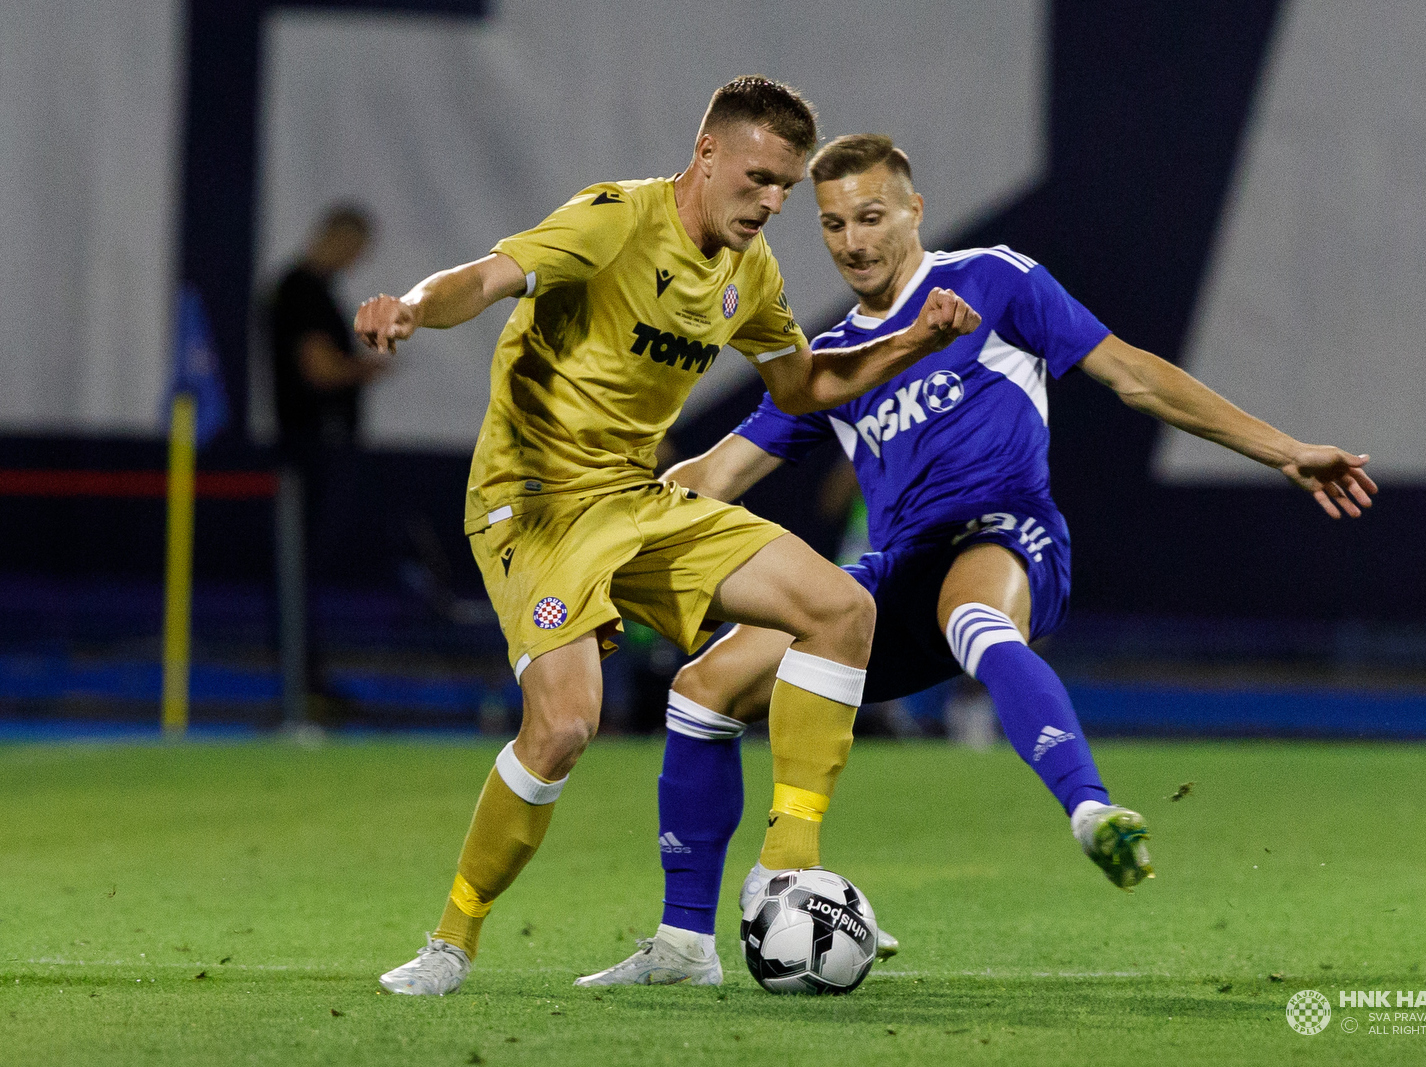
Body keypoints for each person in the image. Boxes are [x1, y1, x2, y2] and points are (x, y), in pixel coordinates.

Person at [576, 134, 1377, 986]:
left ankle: (1089, 806)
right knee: (702, 687)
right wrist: (593, 540)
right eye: (834, 224)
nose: (854, 240)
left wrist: (1283, 448)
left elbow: (1134, 376)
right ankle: (684, 945)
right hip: (888, 581)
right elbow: (714, 477)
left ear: (915, 212)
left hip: (1006, 529)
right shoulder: (832, 362)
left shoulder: (993, 280)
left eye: (872, 216)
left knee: (973, 615)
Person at [354, 80, 981, 996]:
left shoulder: (749, 270)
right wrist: (411, 306)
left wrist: (911, 343)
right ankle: (449, 944)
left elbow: (800, 387)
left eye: (786, 188)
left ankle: (780, 873)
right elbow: (486, 278)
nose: (771, 203)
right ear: (707, 153)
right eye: (759, 178)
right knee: (566, 726)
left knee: (841, 605)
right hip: (533, 504)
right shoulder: (612, 221)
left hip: (637, 498)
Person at [266, 205, 389, 710]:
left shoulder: (306, 290)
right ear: (335, 237)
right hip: (310, 447)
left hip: (315, 446)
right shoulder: (302, 291)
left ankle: (306, 680)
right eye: (355, 248)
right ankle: (302, 684)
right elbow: (319, 371)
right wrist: (368, 368)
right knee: (299, 567)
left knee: (305, 569)